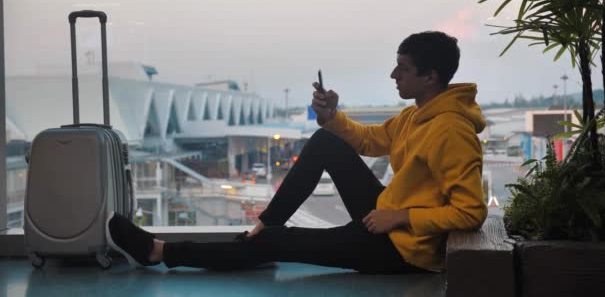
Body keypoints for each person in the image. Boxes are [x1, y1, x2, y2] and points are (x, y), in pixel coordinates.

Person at [106, 31, 488, 274]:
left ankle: (160, 252)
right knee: (325, 141)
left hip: (404, 249)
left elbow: (471, 212)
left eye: (402, 69)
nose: (393, 75)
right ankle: (267, 226)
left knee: (272, 244)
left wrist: (400, 218)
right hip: (386, 216)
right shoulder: (416, 116)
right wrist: (332, 117)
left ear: (431, 76)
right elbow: (370, 141)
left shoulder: (450, 130)